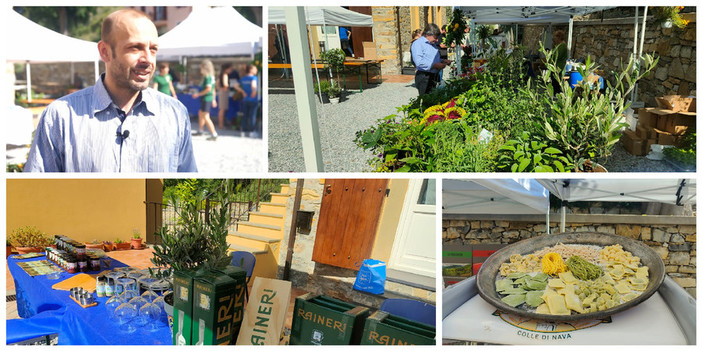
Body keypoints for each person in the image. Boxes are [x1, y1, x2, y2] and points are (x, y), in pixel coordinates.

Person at [24, 9, 196, 172]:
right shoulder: (60, 116)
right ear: (105, 52)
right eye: (135, 48)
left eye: (153, 49)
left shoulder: (175, 114)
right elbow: (34, 191)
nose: (148, 60)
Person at [410, 23, 450, 96]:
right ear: (428, 35)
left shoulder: (432, 43)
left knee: (435, 100)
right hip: (424, 77)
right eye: (435, 37)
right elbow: (419, 62)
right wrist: (435, 65)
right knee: (426, 101)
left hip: (434, 76)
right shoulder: (418, 44)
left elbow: (431, 58)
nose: (437, 40)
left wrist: (442, 60)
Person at [191, 59, 218, 141]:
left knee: (205, 116)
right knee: (201, 113)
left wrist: (198, 94)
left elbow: (208, 89)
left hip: (206, 98)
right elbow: (213, 89)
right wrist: (213, 99)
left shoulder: (207, 77)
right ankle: (201, 130)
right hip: (208, 98)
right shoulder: (211, 77)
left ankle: (214, 134)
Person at [238, 64, 259, 138]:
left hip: (245, 100)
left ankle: (243, 132)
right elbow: (253, 85)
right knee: (252, 116)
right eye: (255, 69)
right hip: (253, 100)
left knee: (245, 116)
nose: (256, 70)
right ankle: (251, 132)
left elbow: (235, 85)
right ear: (251, 70)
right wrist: (254, 91)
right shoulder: (254, 77)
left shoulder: (243, 78)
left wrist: (242, 91)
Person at [217, 63, 233, 129]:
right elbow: (225, 84)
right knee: (222, 109)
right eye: (230, 68)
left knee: (221, 109)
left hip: (221, 92)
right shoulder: (225, 74)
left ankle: (221, 124)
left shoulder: (221, 74)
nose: (231, 70)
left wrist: (219, 88)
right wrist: (227, 87)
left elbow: (217, 83)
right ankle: (221, 125)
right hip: (224, 92)